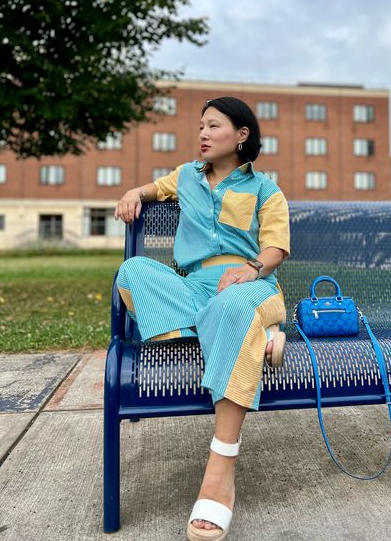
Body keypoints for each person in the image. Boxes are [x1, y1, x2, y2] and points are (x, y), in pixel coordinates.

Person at [114, 96, 290, 540]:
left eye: (214, 127)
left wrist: (249, 269)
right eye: (201, 127)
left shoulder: (266, 189)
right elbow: (153, 190)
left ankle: (220, 467)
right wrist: (134, 192)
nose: (203, 135)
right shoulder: (186, 177)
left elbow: (275, 249)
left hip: (249, 285)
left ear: (242, 135)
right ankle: (256, 338)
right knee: (133, 272)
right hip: (192, 289)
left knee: (230, 307)